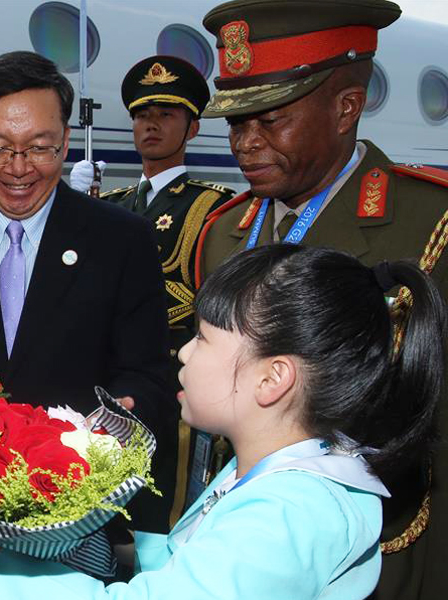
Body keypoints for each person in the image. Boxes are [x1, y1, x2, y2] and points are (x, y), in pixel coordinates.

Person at [0, 244, 443, 600]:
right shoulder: (277, 471)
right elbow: (196, 565)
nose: (184, 354)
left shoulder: (289, 512)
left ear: (272, 379)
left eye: (203, 338)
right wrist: (111, 541)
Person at [194, 1, 448, 597]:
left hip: (386, 549)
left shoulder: (429, 225)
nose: (245, 144)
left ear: (345, 108)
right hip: (244, 546)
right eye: (236, 122)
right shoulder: (223, 234)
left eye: (271, 120)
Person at [0, 51, 176, 533]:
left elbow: (148, 381)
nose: (18, 168)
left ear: (66, 142)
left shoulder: (121, 240)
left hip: (80, 512)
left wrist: (109, 434)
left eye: (39, 147)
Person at [72, 55, 236, 525]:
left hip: (170, 385)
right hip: (105, 382)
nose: (151, 125)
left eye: (167, 115)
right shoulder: (113, 204)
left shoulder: (211, 207)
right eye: (143, 114)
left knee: (160, 518)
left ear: (193, 128)